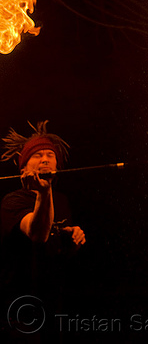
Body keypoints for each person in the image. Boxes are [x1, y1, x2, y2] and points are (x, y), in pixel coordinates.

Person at [0, 121, 86, 318]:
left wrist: (72, 237)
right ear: (23, 168)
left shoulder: (62, 201)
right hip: (19, 304)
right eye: (37, 155)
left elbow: (56, 248)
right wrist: (44, 191)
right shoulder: (12, 200)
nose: (45, 159)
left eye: (50, 155)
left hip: (55, 302)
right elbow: (37, 235)